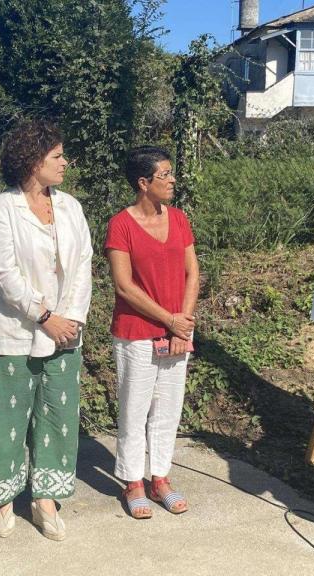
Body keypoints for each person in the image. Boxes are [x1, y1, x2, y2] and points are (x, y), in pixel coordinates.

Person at [0, 119, 92, 541]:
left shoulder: (70, 207)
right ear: (32, 161)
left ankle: (45, 499)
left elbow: (82, 266)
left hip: (65, 333)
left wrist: (71, 318)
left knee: (58, 417)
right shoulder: (1, 209)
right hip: (14, 332)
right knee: (5, 417)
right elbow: (3, 274)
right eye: (57, 156)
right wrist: (45, 317)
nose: (65, 162)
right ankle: (3, 496)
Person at [106, 146, 199, 519]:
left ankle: (160, 477)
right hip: (137, 333)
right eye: (164, 174)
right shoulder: (121, 225)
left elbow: (193, 272)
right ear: (143, 183)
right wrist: (169, 319)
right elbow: (124, 286)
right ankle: (133, 482)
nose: (172, 180)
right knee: (134, 408)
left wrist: (183, 321)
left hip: (177, 331)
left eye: (171, 173)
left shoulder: (179, 219)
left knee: (168, 408)